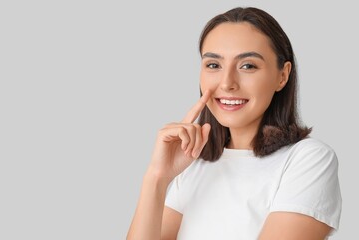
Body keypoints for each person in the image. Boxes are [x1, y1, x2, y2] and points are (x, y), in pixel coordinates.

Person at [126, 6, 342, 240]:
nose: (227, 83)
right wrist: (157, 177)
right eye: (213, 65)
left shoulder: (307, 160)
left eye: (247, 66)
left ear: (283, 75)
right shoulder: (192, 167)